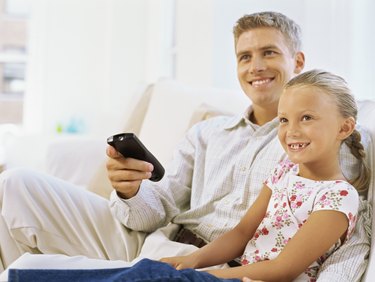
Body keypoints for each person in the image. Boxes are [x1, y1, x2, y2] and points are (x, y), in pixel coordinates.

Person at [0, 11, 371, 282]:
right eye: (245, 56)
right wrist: (130, 191)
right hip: (159, 241)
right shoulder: (209, 132)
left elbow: (331, 228)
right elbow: (157, 209)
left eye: (269, 53)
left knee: (40, 275)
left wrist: (211, 269)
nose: (256, 66)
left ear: (298, 61)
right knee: (15, 186)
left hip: (226, 265)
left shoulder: (316, 145)